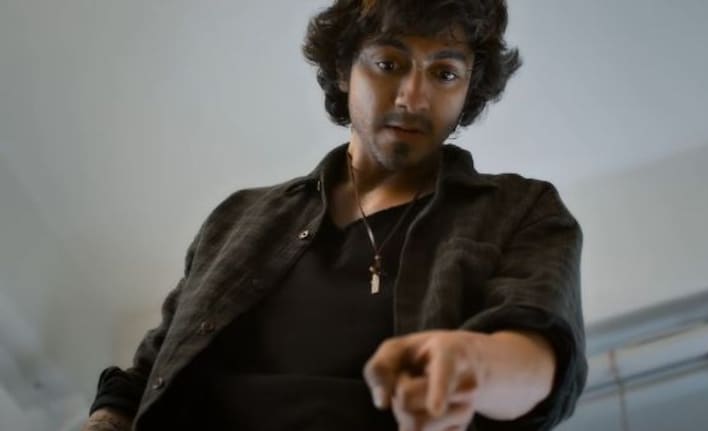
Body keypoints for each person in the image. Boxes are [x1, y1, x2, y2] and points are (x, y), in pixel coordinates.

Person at [83, 0, 586, 430]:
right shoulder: (235, 219)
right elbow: (143, 376)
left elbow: (541, 361)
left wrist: (472, 366)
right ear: (344, 69)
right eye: (389, 63)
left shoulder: (519, 209)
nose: (414, 97)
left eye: (445, 74)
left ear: (469, 89)